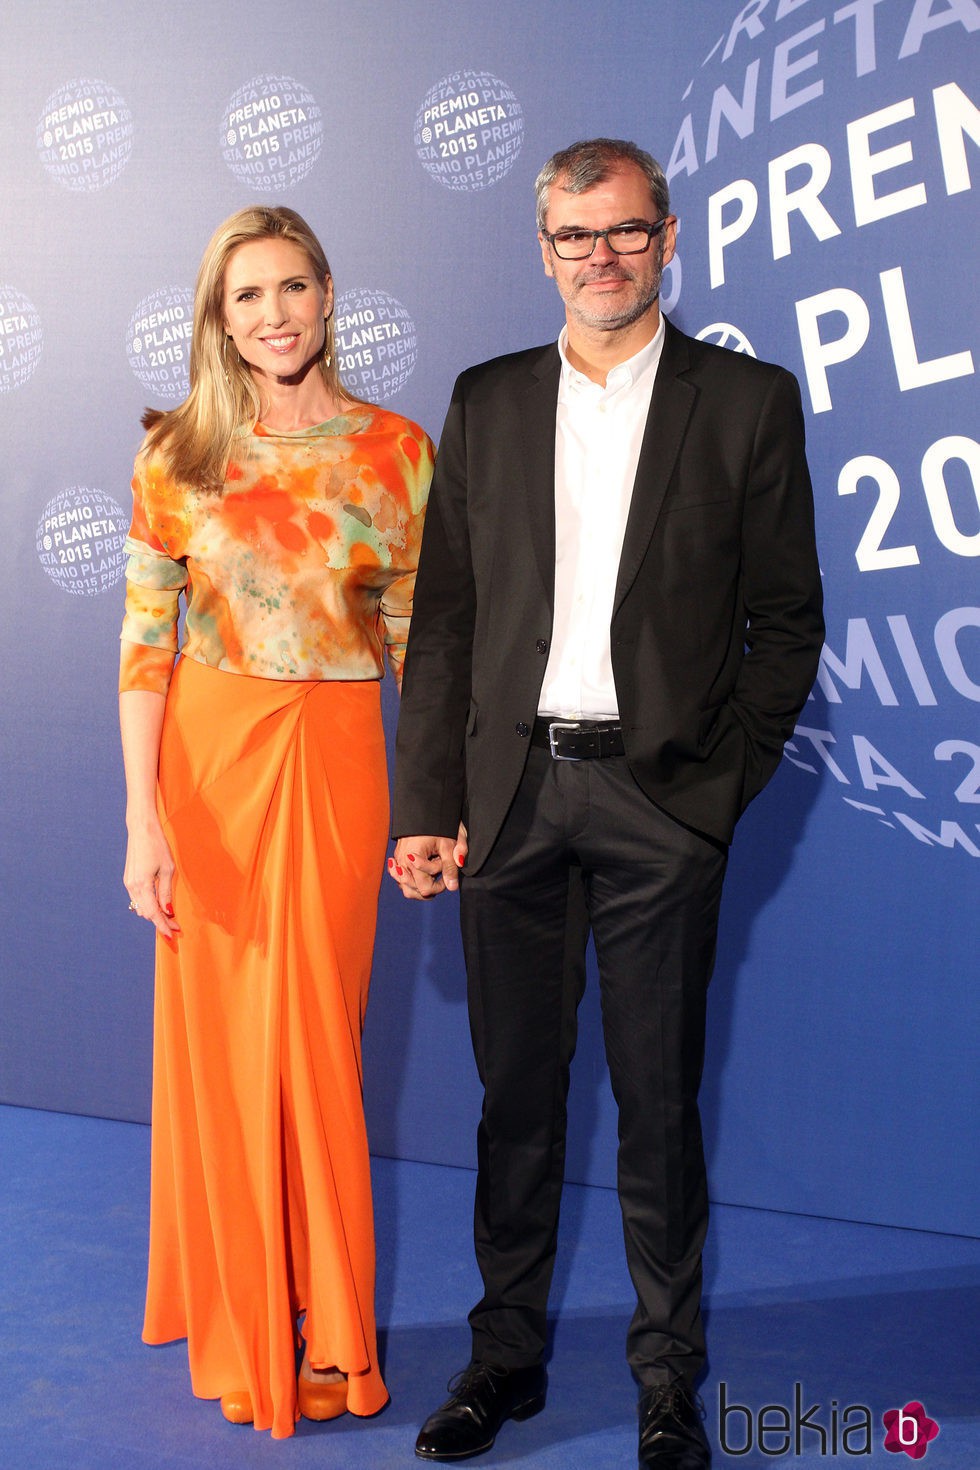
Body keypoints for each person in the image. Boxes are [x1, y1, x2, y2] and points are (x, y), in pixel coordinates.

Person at [388, 139, 824, 1468]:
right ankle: (504, 1359)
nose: (602, 257)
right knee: (516, 1099)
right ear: (544, 252)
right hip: (510, 804)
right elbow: (448, 619)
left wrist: (711, 794)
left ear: (668, 237)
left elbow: (787, 622)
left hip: (656, 808)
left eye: (625, 232)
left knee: (657, 1102)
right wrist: (431, 802)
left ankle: (666, 1375)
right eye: (576, 237)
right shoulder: (489, 399)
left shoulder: (745, 402)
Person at [119, 205, 433, 1438]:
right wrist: (142, 824)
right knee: (224, 1057)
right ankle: (249, 1316)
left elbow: (420, 644)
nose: (273, 315)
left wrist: (437, 808)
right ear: (218, 316)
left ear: (327, 295)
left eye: (292, 288)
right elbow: (146, 649)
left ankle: (332, 1333)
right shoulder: (174, 456)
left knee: (314, 1046)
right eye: (246, 296)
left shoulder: (397, 453)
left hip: (337, 757)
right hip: (205, 768)